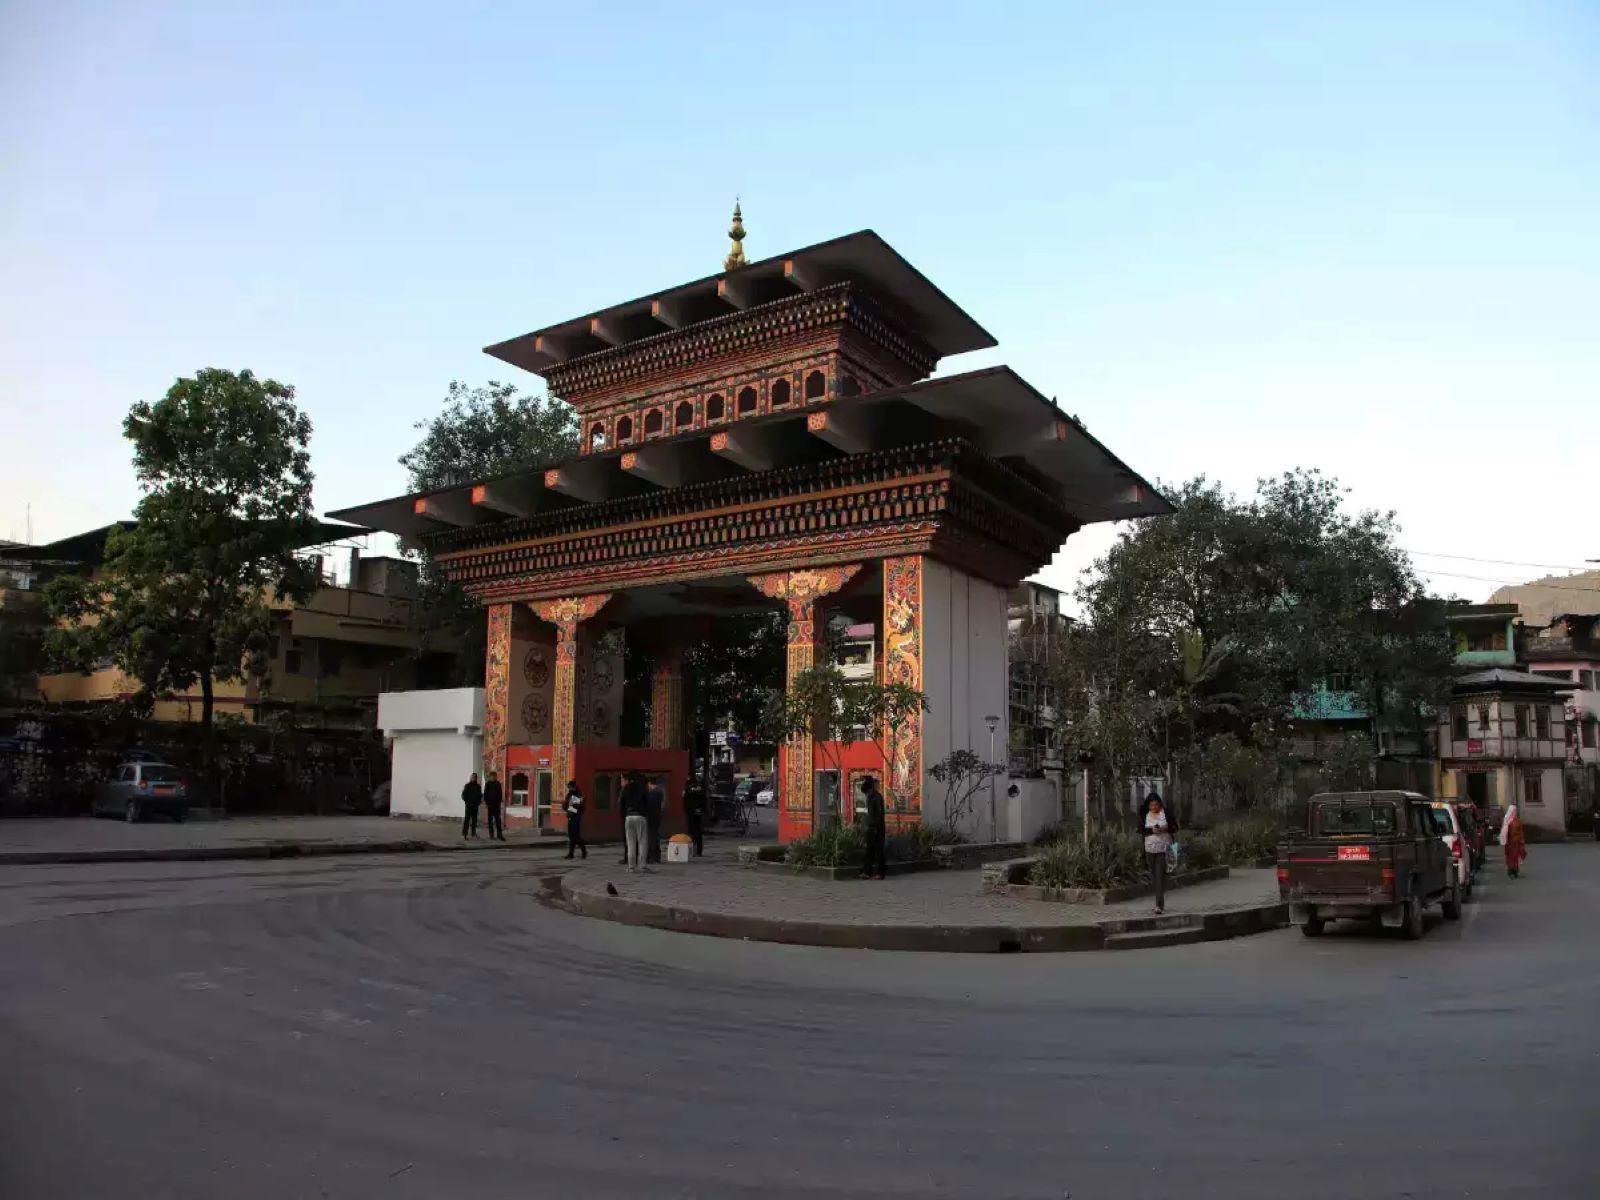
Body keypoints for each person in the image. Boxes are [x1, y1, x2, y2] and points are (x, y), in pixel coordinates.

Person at [1142, 793, 1174, 914]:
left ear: (1159, 804)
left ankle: (1159, 905)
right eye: (1151, 805)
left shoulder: (1165, 813)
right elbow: (1141, 830)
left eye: (1156, 804)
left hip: (1163, 848)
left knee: (1160, 875)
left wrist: (1164, 828)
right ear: (1148, 806)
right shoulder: (1145, 815)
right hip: (1149, 848)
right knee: (1154, 876)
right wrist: (1151, 830)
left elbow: (1174, 827)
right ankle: (1159, 899)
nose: (1154, 807)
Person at [620, 771, 650, 872]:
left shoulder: (625, 789)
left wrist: (624, 816)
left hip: (629, 817)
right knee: (642, 842)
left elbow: (621, 805)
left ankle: (631, 867)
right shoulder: (642, 788)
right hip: (640, 816)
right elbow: (648, 802)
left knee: (630, 843)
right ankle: (642, 866)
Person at [859, 775, 887, 880]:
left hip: (878, 829)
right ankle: (867, 872)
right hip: (870, 828)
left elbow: (878, 815)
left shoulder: (877, 798)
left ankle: (881, 873)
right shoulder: (870, 798)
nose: (866, 795)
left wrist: (875, 827)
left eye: (866, 792)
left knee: (879, 851)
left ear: (870, 789)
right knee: (869, 851)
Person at [563, 780, 587, 859]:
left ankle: (583, 850)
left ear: (574, 787)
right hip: (570, 816)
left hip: (576, 816)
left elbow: (576, 807)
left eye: (570, 787)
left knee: (576, 835)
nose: (569, 789)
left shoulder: (578, 794)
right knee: (571, 835)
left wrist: (569, 807)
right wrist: (565, 805)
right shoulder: (569, 794)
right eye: (568, 787)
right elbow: (566, 805)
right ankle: (571, 853)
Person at [1501, 802, 1526, 878]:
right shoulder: (1507, 821)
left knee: (1516, 857)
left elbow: (1521, 831)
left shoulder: (1518, 821)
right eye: (1514, 811)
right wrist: (1505, 840)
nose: (1515, 812)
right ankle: (1510, 871)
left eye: (1516, 811)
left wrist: (1522, 840)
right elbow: (1505, 832)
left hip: (1517, 842)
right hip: (1510, 843)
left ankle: (1515, 871)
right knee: (1510, 857)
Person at [645, 776, 666, 864]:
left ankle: (652, 856)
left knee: (651, 836)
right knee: (656, 835)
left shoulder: (652, 793)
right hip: (658, 815)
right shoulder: (660, 792)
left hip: (651, 816)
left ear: (649, 783)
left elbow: (649, 806)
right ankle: (657, 856)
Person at [683, 778, 706, 857]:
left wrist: (688, 811)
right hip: (699, 813)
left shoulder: (687, 790)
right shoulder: (700, 789)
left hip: (691, 813)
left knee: (692, 832)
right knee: (699, 832)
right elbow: (705, 801)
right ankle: (699, 851)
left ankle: (692, 850)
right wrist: (702, 810)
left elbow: (685, 802)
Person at [483, 772, 505, 842]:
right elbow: (485, 794)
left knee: (498, 820)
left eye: (494, 776)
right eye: (492, 776)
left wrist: (499, 801)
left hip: (496, 805)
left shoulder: (497, 784)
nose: (493, 778)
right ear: (490, 777)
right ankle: (491, 835)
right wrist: (487, 803)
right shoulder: (487, 784)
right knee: (490, 821)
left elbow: (500, 793)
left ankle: (499, 835)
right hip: (490, 805)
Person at [460, 772, 482, 839]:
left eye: (475, 777)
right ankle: (465, 834)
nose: (473, 778)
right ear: (470, 778)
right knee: (467, 820)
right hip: (469, 806)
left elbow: (480, 796)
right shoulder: (467, 786)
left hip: (475, 806)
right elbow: (463, 795)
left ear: (476, 778)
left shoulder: (478, 786)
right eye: (472, 777)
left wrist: (478, 802)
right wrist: (467, 802)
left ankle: (473, 833)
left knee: (474, 821)